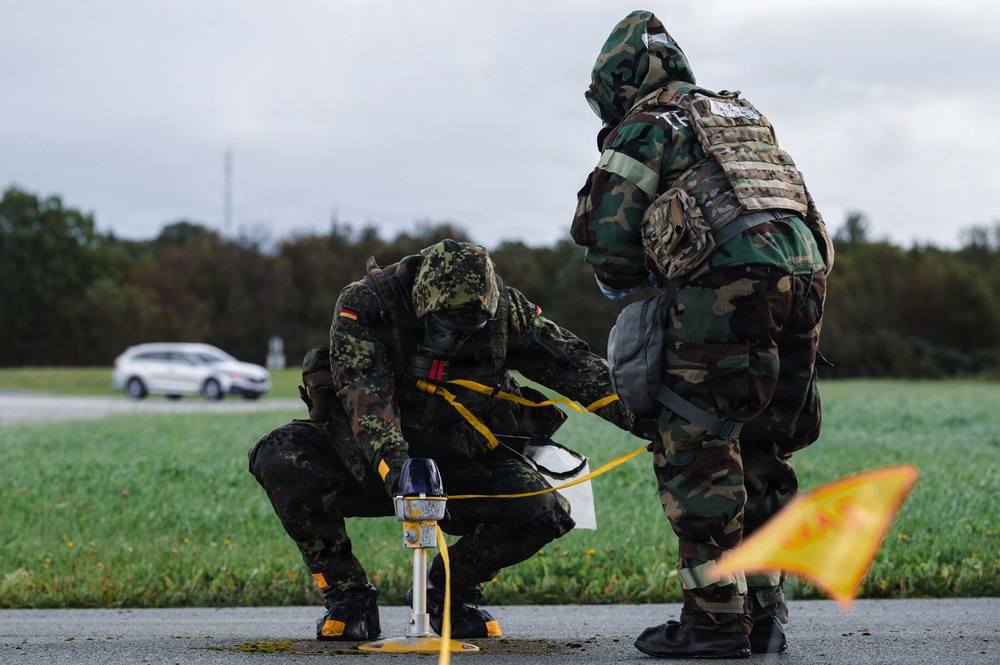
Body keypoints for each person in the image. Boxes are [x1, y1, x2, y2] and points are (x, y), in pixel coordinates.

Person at [570, 10, 834, 659]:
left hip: (727, 283)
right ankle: (767, 613)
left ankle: (714, 619)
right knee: (766, 440)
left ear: (618, 83)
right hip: (806, 276)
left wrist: (649, 282)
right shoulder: (741, 115)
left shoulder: (646, 125)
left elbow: (608, 245)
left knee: (700, 438)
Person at [248, 239, 650, 641]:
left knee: (541, 510)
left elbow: (577, 367)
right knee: (280, 456)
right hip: (367, 457)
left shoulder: (509, 313)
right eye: (443, 326)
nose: (453, 340)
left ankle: (446, 593)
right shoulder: (366, 304)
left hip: (463, 459)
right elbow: (367, 398)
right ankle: (347, 596)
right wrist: (397, 469)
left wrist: (653, 422)